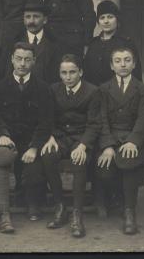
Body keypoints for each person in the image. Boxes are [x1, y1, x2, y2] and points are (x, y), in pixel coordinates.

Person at [0, 42, 53, 233]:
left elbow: (46, 121)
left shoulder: (42, 87)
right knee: (2, 157)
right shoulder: (0, 86)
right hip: (8, 139)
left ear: (34, 61)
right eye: (18, 58)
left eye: (27, 59)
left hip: (31, 140)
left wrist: (34, 147)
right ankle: (5, 210)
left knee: (34, 169)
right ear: (12, 60)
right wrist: (1, 134)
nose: (22, 63)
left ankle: (33, 202)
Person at [42, 54, 101, 238]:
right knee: (48, 156)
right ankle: (60, 206)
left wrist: (83, 145)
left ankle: (77, 213)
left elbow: (94, 124)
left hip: (81, 138)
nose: (68, 77)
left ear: (81, 72)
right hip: (60, 137)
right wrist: (50, 136)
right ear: (59, 74)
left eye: (72, 72)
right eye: (64, 73)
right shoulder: (53, 90)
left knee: (79, 161)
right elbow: (48, 117)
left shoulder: (92, 92)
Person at [95, 47, 144, 235]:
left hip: (132, 138)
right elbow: (101, 119)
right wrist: (108, 146)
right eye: (118, 61)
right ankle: (114, 198)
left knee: (128, 161)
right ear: (112, 66)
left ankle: (129, 211)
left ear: (134, 64)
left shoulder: (142, 89)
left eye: (127, 60)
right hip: (110, 138)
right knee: (104, 172)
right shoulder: (103, 89)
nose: (123, 64)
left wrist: (134, 141)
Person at [83, 0, 143, 86]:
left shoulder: (126, 43)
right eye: (102, 18)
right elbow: (87, 75)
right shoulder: (93, 44)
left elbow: (136, 76)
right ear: (98, 22)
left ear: (117, 19)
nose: (106, 21)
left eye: (110, 17)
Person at [13, 0, 63, 84]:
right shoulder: (14, 41)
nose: (31, 21)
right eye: (28, 17)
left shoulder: (56, 43)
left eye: (36, 16)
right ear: (23, 20)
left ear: (45, 20)